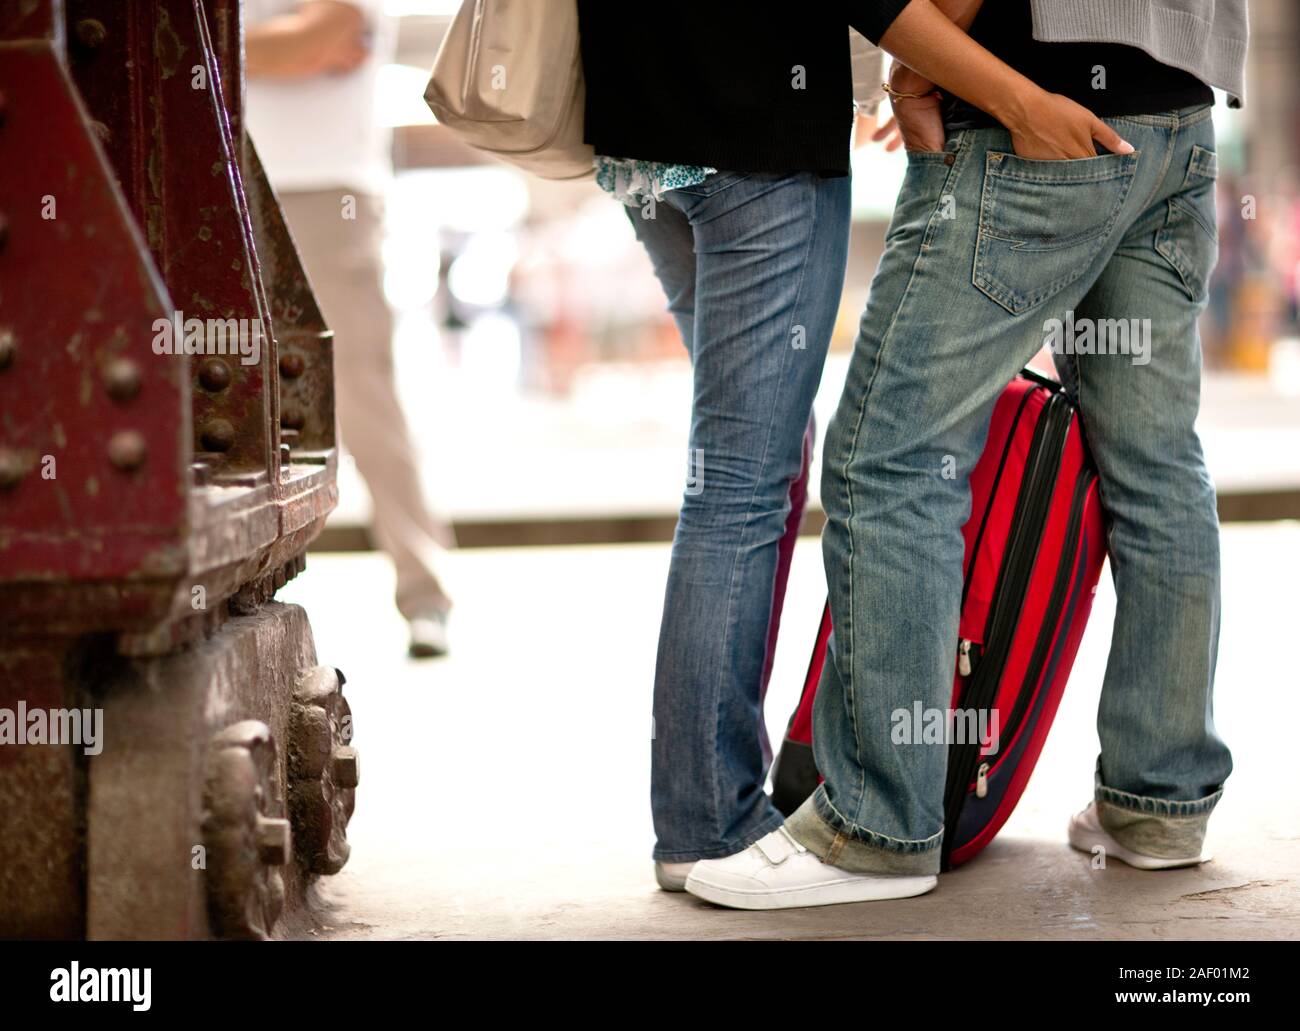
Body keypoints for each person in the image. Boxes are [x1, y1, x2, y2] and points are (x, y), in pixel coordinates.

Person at [685, 0, 1247, 910]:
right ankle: (1160, 801)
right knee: (1156, 464)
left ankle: (878, 823)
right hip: (1176, 125)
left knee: (890, 462)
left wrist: (937, 75)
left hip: (1030, 127)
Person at [577, 1, 1132, 893]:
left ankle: (707, 805)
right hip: (755, 140)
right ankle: (707, 822)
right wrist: (926, 72)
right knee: (744, 484)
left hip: (642, 141)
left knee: (744, 466)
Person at [245, 0, 456, 658]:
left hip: (328, 195)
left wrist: (241, 46)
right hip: (233, 186)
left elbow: (324, 35)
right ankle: (242, 589)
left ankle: (425, 593)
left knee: (364, 397)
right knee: (237, 400)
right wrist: (267, 45)